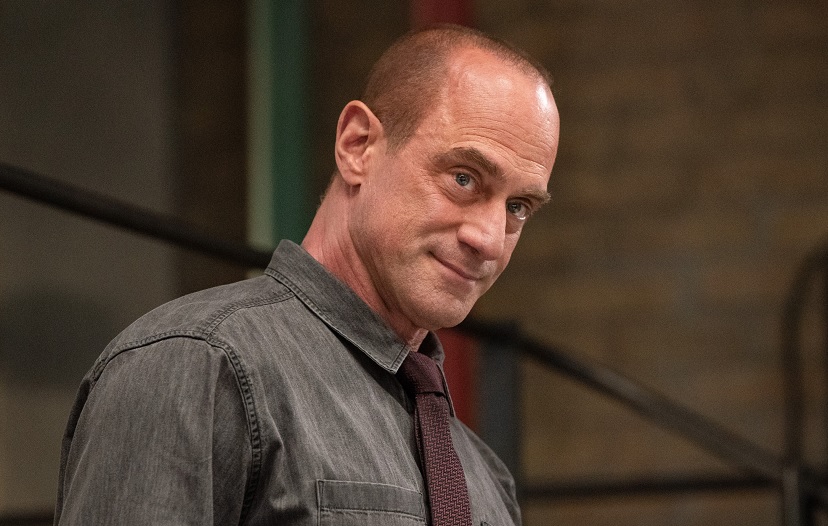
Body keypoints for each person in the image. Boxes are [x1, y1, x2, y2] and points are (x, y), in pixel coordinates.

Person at [54, 24, 559, 525]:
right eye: (464, 178)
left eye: (517, 207)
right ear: (358, 146)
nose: (489, 239)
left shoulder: (486, 481)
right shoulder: (195, 365)